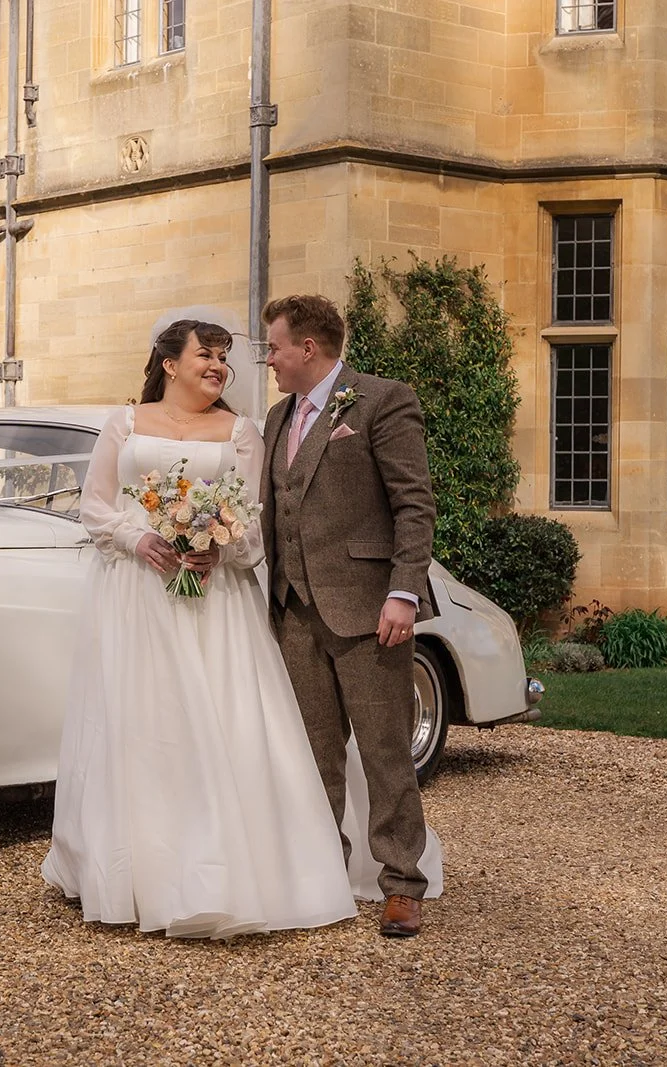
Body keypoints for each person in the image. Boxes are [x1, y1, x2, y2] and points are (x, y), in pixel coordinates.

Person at [40, 319, 360, 938]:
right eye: (205, 356)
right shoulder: (124, 423)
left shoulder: (242, 431)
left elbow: (252, 519)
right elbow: (96, 506)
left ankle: (224, 873)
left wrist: (220, 547)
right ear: (168, 363)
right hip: (136, 596)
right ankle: (139, 873)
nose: (218, 367)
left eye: (224, 360)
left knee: (222, 720)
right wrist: (139, 538)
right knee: (144, 725)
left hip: (216, 601)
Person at [260, 293, 440, 938]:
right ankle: (323, 876)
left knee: (386, 751)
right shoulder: (278, 417)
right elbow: (273, 509)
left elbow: (414, 505)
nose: (270, 360)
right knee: (314, 754)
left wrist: (404, 591)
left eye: (275, 346)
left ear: (308, 347)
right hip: (294, 609)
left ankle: (401, 884)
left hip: (369, 610)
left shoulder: (383, 399)